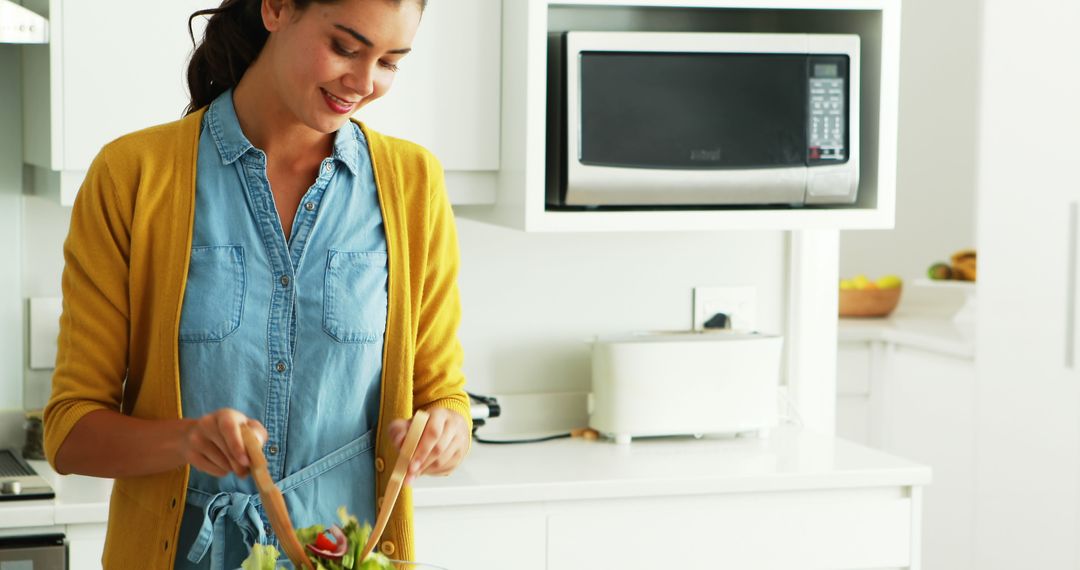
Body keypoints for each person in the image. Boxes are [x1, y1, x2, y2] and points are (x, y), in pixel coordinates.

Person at [42, 0, 471, 567]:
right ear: (276, 8)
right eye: (345, 47)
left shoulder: (413, 185)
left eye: (390, 62)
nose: (364, 83)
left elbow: (445, 398)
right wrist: (185, 440)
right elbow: (70, 433)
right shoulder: (133, 176)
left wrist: (445, 432)